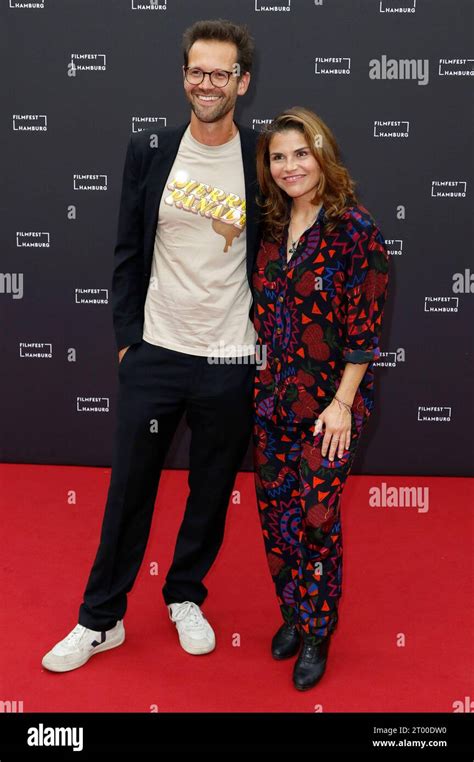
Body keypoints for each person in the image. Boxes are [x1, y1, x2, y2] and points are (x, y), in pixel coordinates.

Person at [42, 19, 262, 672]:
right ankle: (99, 618)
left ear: (242, 83)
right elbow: (127, 253)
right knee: (129, 491)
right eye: (198, 70)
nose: (208, 82)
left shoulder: (264, 158)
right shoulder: (151, 151)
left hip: (232, 358)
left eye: (221, 72)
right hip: (157, 355)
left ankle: (185, 594)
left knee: (210, 486)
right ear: (184, 76)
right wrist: (125, 344)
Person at [252, 107, 390, 690]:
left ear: (322, 154)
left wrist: (341, 404)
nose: (290, 166)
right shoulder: (270, 226)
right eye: (278, 157)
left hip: (331, 407)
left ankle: (316, 629)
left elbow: (365, 330)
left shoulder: (356, 230)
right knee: (276, 515)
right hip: (270, 401)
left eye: (300, 153)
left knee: (317, 518)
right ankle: (291, 611)